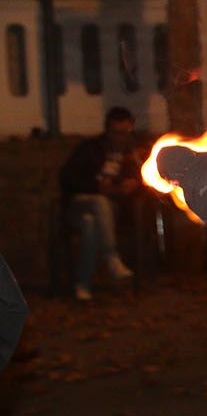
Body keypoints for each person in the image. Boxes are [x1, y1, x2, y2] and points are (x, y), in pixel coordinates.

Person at [59, 107, 140, 301]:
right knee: (98, 201)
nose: (119, 138)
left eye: (124, 133)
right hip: (80, 204)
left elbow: (147, 182)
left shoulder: (134, 153)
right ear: (107, 129)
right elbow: (67, 179)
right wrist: (96, 187)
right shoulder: (89, 149)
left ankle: (83, 284)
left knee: (90, 223)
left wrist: (134, 185)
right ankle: (112, 258)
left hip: (111, 212)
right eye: (115, 132)